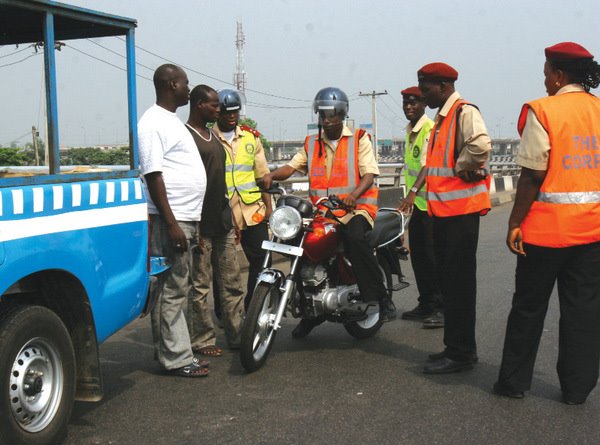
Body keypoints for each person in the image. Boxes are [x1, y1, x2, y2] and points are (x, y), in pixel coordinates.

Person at [494, 42, 600, 404]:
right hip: (591, 232)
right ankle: (576, 390)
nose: (543, 82)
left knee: (528, 307)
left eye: (545, 74)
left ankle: (513, 382)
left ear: (558, 75)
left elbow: (532, 175)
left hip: (544, 233)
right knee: (583, 311)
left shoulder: (543, 111)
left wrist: (514, 222)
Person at [261, 86, 396, 338]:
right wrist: (270, 175)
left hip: (357, 209)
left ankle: (381, 298)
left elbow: (369, 174)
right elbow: (291, 168)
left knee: (355, 239)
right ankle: (309, 310)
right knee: (300, 245)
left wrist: (353, 196)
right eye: (322, 115)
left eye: (331, 114)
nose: (326, 120)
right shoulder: (312, 143)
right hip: (322, 211)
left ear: (342, 114)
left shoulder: (359, 139)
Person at [416, 63, 492, 374]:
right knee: (450, 283)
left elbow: (480, 145)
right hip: (446, 214)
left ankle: (461, 353)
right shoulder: (443, 117)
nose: (423, 94)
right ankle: (455, 347)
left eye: (426, 88)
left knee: (459, 286)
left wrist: (462, 166)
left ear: (444, 86)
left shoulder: (463, 112)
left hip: (461, 215)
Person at [138, 64, 208, 377]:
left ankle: (173, 352)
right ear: (171, 84)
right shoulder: (153, 122)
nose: (188, 89)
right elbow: (153, 174)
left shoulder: (171, 121)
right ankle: (177, 358)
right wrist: (171, 223)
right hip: (173, 218)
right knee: (173, 288)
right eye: (185, 84)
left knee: (176, 285)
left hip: (185, 217)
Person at [185, 85, 245, 357]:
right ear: (199, 105)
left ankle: (237, 334)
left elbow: (219, 180)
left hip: (222, 220)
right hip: (200, 224)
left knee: (231, 281)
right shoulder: (186, 137)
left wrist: (231, 214)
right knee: (200, 286)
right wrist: (192, 225)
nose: (219, 110)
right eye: (213, 105)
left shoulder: (212, 136)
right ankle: (202, 339)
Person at [213, 89, 272, 310]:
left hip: (252, 210)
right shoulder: (209, 138)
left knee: (261, 260)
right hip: (224, 211)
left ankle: (252, 307)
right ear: (218, 112)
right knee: (223, 266)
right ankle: (223, 310)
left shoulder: (251, 138)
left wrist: (268, 208)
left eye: (235, 113)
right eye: (227, 113)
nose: (231, 117)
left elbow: (262, 175)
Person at [397, 86, 443, 329]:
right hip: (419, 207)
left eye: (413, 102)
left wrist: (413, 193)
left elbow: (428, 165)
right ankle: (426, 303)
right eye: (405, 102)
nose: (408, 106)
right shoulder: (410, 131)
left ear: (424, 104)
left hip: (430, 204)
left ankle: (440, 306)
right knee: (421, 259)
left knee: (434, 258)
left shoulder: (428, 129)